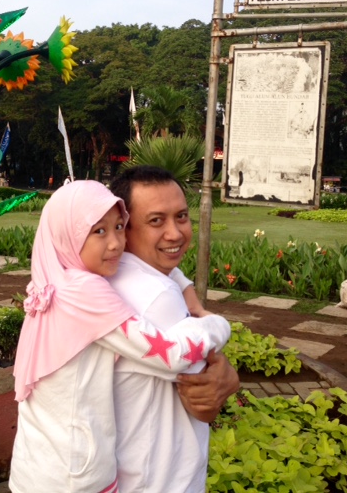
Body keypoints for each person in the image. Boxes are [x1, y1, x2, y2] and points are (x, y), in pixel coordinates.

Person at [9, 180, 230, 493]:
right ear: (68, 235)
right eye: (99, 231)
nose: (115, 243)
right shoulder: (89, 292)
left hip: (35, 466)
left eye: (118, 227)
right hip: (76, 476)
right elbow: (174, 356)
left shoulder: (56, 280)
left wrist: (184, 285)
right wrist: (217, 324)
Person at [109, 166, 240, 492]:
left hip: (131, 469)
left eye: (181, 216)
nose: (175, 233)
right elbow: (205, 391)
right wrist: (218, 329)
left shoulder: (106, 276)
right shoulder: (157, 297)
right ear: (123, 228)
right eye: (156, 221)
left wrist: (185, 287)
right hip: (161, 478)